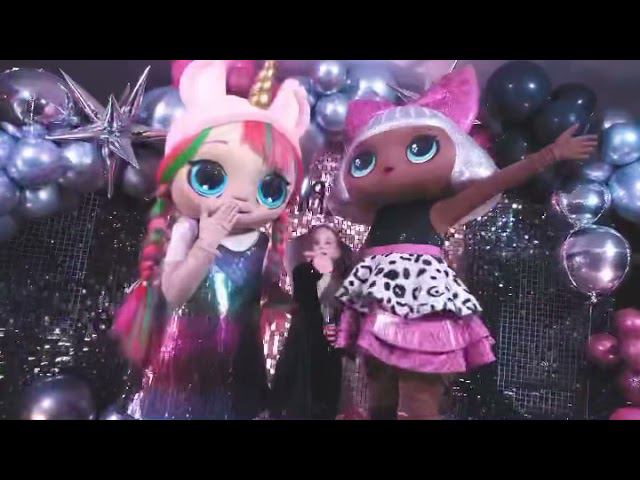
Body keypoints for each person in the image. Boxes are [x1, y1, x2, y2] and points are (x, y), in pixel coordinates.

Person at [329, 65, 598, 420]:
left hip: (422, 309)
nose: (389, 167)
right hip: (377, 312)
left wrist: (551, 154)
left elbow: (494, 184)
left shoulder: (439, 212)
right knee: (378, 390)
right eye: (366, 160)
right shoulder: (379, 220)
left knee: (419, 395)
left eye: (420, 149)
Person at [112, 60, 310, 419]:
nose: (240, 198)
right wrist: (207, 243)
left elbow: (261, 302)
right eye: (210, 177)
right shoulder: (187, 231)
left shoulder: (263, 244)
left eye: (269, 189)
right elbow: (174, 293)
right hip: (184, 359)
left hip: (237, 364)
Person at [270, 225, 352, 419]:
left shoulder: (342, 278)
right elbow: (305, 302)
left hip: (330, 343)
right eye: (317, 242)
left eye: (328, 242)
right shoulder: (302, 272)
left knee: (327, 391)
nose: (322, 246)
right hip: (304, 338)